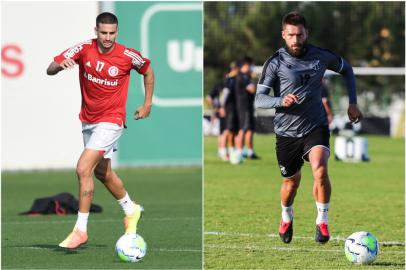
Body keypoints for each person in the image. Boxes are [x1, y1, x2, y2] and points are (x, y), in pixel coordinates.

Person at [46, 12, 154, 249]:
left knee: (83, 168)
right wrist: (59, 66)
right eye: (103, 33)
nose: (107, 37)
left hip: (112, 120)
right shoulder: (84, 48)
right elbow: (50, 68)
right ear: (96, 31)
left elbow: (147, 70)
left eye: (112, 33)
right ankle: (131, 209)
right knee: (102, 173)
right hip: (88, 120)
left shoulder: (127, 55)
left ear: (117, 32)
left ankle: (80, 230)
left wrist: (147, 104)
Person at [255, 11, 362, 244]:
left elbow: (348, 70)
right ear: (283, 35)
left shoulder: (320, 56)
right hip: (286, 132)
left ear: (307, 34)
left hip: (316, 125)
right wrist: (279, 101)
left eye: (300, 35)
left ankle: (322, 222)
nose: (296, 39)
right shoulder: (275, 63)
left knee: (320, 170)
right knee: (291, 182)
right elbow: (259, 99)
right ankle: (286, 217)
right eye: (291, 35)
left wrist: (353, 102)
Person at [234, 57, 260, 160]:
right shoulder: (241, 77)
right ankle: (239, 152)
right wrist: (255, 79)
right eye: (250, 65)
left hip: (249, 105)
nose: (251, 67)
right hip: (243, 106)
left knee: (250, 129)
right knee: (243, 129)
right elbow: (252, 89)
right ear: (246, 65)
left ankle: (250, 152)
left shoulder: (246, 76)